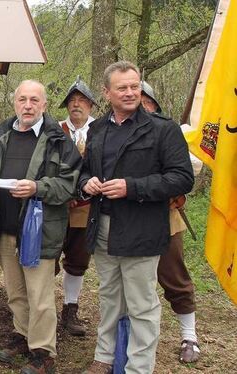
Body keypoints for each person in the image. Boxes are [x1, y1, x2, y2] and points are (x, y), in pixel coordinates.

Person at [79, 62, 194, 374]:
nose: (131, 93)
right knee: (109, 297)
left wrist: (133, 187)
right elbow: (86, 170)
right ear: (107, 93)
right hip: (102, 224)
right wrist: (85, 182)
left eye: (135, 86)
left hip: (142, 229)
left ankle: (139, 367)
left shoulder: (162, 129)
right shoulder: (98, 129)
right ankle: (104, 358)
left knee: (142, 304)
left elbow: (182, 178)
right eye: (122, 88)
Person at [0, 80, 82, 374]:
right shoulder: (1, 133)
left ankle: (44, 352)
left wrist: (37, 187)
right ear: (15, 103)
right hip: (5, 228)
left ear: (44, 105)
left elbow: (69, 184)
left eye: (34, 100)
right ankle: (22, 335)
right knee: (16, 291)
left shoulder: (58, 140)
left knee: (40, 295)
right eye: (23, 99)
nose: (28, 105)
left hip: (39, 230)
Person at [140, 80, 203, 364]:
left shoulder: (169, 133)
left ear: (154, 106)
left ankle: (189, 336)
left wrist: (169, 187)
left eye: (145, 102)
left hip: (165, 219)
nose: (141, 107)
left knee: (173, 276)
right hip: (130, 220)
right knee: (132, 283)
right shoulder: (118, 132)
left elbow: (188, 170)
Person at [56, 77, 97, 337]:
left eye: (81, 100)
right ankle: (41, 310)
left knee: (78, 259)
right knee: (46, 257)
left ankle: (70, 308)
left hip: (86, 206)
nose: (76, 105)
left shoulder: (102, 130)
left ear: (91, 105)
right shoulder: (54, 129)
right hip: (55, 207)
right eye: (72, 101)